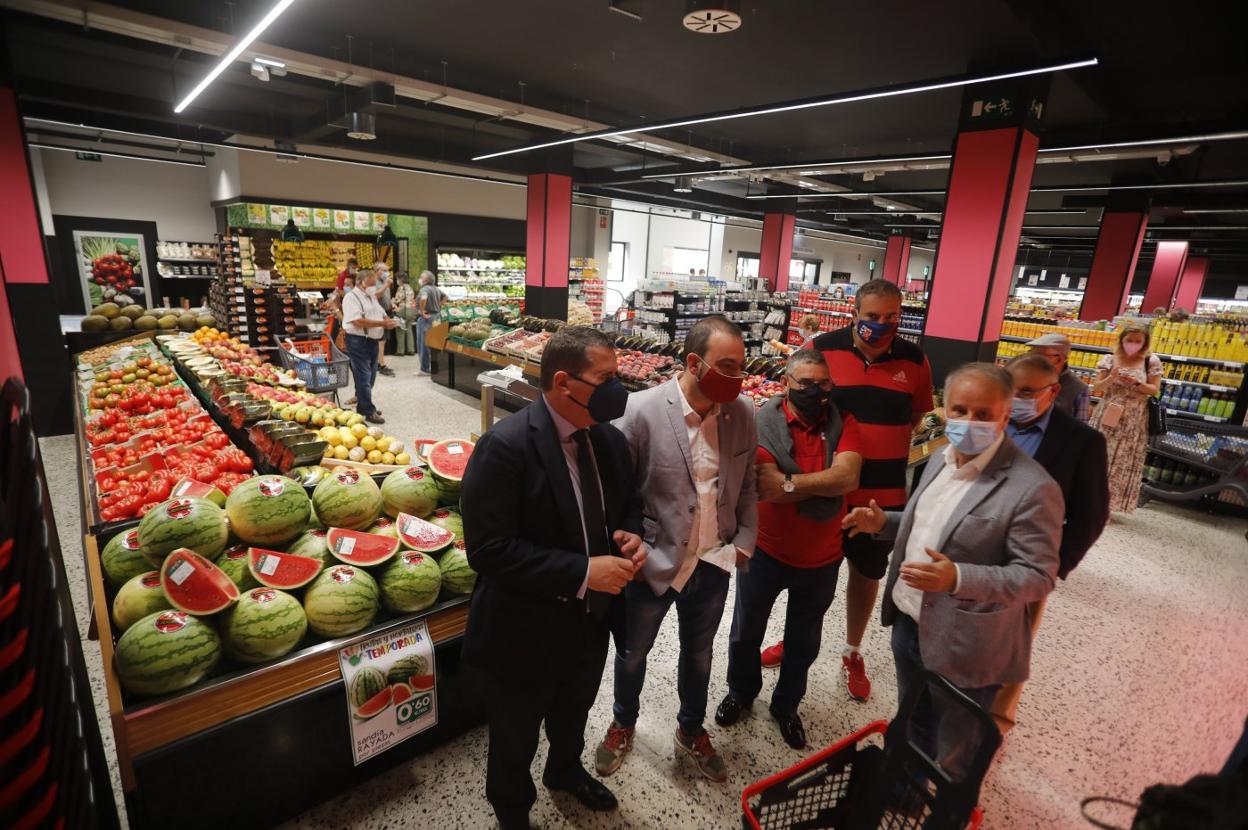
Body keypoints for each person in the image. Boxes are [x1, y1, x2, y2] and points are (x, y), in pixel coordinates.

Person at [843, 363, 1062, 804]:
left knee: (957, 747)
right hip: (910, 622)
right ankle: (906, 793)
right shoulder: (940, 461)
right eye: (960, 409)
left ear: (1006, 416)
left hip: (969, 642)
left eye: (984, 414)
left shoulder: (1031, 487)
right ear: (944, 409)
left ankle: (947, 811)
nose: (969, 422)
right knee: (912, 717)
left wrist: (957, 577)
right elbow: (931, 524)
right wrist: (883, 521)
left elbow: (1037, 575)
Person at [461, 326, 646, 830]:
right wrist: (586, 571)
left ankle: (564, 770)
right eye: (606, 377)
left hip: (589, 624)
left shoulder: (606, 441)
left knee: (574, 713)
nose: (618, 387)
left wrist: (630, 533)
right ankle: (512, 810)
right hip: (523, 632)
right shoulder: (505, 447)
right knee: (514, 737)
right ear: (564, 383)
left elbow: (629, 505)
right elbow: (488, 551)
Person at [596, 315, 758, 783]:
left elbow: (747, 485)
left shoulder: (743, 412)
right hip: (652, 560)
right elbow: (617, 490)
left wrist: (746, 541)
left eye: (742, 365)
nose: (738, 376)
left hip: (713, 560)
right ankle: (623, 722)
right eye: (727, 365)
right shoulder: (640, 410)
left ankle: (690, 728)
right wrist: (626, 540)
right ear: (694, 362)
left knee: (700, 653)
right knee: (632, 652)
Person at [762, 279, 933, 703]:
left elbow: (915, 417)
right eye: (873, 316)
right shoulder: (825, 348)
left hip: (882, 496)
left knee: (866, 573)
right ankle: (795, 640)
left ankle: (852, 650)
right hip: (823, 487)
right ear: (855, 313)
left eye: (891, 317)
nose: (882, 324)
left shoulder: (914, 360)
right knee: (807, 573)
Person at [715, 350, 862, 749]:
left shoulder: (844, 422)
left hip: (823, 557)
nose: (816, 392)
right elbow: (764, 484)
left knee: (804, 641)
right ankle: (741, 693)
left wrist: (792, 484)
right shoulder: (762, 423)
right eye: (806, 384)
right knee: (746, 632)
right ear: (786, 384)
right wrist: (820, 481)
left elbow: (847, 477)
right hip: (766, 551)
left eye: (824, 383)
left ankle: (787, 705)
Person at [989, 353, 1109, 732]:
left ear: (1053, 391)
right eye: (1010, 389)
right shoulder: (989, 421)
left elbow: (1091, 514)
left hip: (1028, 562)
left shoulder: (1082, 442)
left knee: (1012, 646)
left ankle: (994, 723)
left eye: (1026, 391)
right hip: (972, 551)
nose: (1015, 398)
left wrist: (1055, 566)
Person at [1089, 323, 1163, 513]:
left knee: (1122, 461)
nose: (1133, 344)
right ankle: (1089, 500)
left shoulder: (1151, 362)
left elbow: (1154, 391)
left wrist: (1137, 383)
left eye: (1138, 341)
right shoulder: (1109, 359)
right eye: (1129, 340)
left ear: (1145, 342)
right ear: (1121, 340)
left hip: (1133, 418)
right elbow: (1098, 387)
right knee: (1099, 457)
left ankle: (1109, 506)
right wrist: (1112, 377)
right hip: (1107, 414)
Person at [340, 268, 396, 425]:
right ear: (360, 283)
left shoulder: (370, 296)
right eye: (370, 284)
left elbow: (380, 311)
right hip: (358, 342)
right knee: (364, 376)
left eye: (374, 284)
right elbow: (357, 321)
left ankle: (363, 403)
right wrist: (382, 323)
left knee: (370, 376)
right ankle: (368, 410)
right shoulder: (351, 298)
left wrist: (387, 320)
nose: (373, 287)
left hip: (372, 341)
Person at [1025, 332, 1091, 423]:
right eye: (1031, 353)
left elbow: (1082, 428)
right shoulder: (1026, 378)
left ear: (1059, 359)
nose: (1032, 358)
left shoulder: (1079, 388)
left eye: (1039, 355)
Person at [415, 270, 443, 377]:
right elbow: (445, 297)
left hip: (427, 318)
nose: (420, 279)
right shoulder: (436, 289)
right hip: (436, 317)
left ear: (426, 280)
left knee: (423, 344)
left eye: (421, 277)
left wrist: (422, 311)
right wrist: (438, 305)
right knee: (434, 343)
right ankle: (435, 367)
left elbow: (423, 298)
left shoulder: (425, 289)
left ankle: (424, 369)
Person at [370, 262, 396, 377]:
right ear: (377, 271)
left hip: (386, 312)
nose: (387, 273)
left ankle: (378, 363)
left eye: (388, 270)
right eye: (384, 270)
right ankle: (381, 364)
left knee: (383, 340)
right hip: (377, 314)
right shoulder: (374, 282)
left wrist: (392, 304)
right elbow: (375, 296)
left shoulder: (384, 282)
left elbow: (386, 297)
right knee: (380, 339)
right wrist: (386, 285)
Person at [391, 272, 417, 356]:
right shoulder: (410, 288)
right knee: (409, 329)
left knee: (400, 329)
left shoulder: (401, 288)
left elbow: (398, 299)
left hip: (403, 310)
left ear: (401, 279)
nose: (396, 280)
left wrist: (392, 301)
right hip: (411, 310)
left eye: (397, 279)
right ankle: (411, 350)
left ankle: (400, 351)